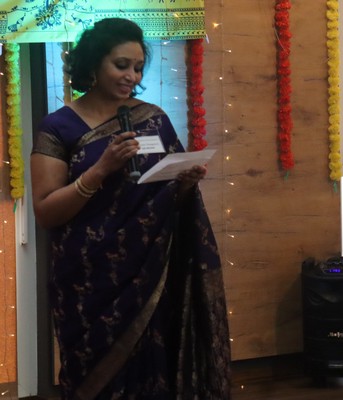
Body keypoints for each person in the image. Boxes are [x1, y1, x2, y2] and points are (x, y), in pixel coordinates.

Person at [30, 18, 231, 399]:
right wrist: (101, 169)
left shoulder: (153, 118)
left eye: (138, 67)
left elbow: (164, 197)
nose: (131, 76)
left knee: (155, 369)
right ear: (94, 64)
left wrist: (184, 183)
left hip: (152, 269)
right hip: (90, 276)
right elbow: (45, 211)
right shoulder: (58, 128)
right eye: (121, 65)